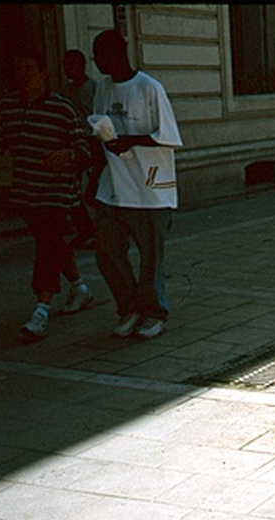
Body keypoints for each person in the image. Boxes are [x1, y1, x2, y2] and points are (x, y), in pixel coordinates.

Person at [0, 51, 95, 340]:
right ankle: (80, 287)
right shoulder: (6, 109)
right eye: (18, 68)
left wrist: (67, 154)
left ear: (43, 73)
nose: (23, 74)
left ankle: (41, 309)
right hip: (26, 193)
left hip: (58, 193)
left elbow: (84, 151)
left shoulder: (62, 108)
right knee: (52, 243)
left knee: (47, 245)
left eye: (29, 68)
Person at [90, 29, 183, 340]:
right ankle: (129, 307)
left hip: (150, 190)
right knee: (108, 254)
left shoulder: (149, 89)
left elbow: (168, 136)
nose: (97, 63)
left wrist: (130, 141)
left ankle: (154, 312)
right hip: (113, 187)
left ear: (117, 54)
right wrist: (94, 176)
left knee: (150, 258)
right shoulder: (102, 88)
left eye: (100, 56)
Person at [59, 49, 99, 250]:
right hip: (73, 144)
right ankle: (84, 230)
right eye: (65, 65)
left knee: (91, 188)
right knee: (73, 192)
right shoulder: (65, 93)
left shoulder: (94, 89)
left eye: (71, 65)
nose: (68, 70)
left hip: (92, 142)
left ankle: (97, 230)